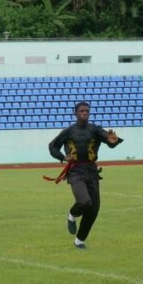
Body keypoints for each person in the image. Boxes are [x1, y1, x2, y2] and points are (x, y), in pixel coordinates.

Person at [46, 101, 123, 250]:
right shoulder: (68, 131)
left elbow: (109, 139)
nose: (84, 113)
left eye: (87, 111)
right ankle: (72, 215)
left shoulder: (95, 129)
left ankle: (79, 241)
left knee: (93, 209)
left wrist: (113, 142)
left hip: (92, 171)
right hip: (75, 171)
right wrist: (62, 157)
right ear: (75, 113)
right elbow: (52, 146)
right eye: (81, 111)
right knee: (84, 201)